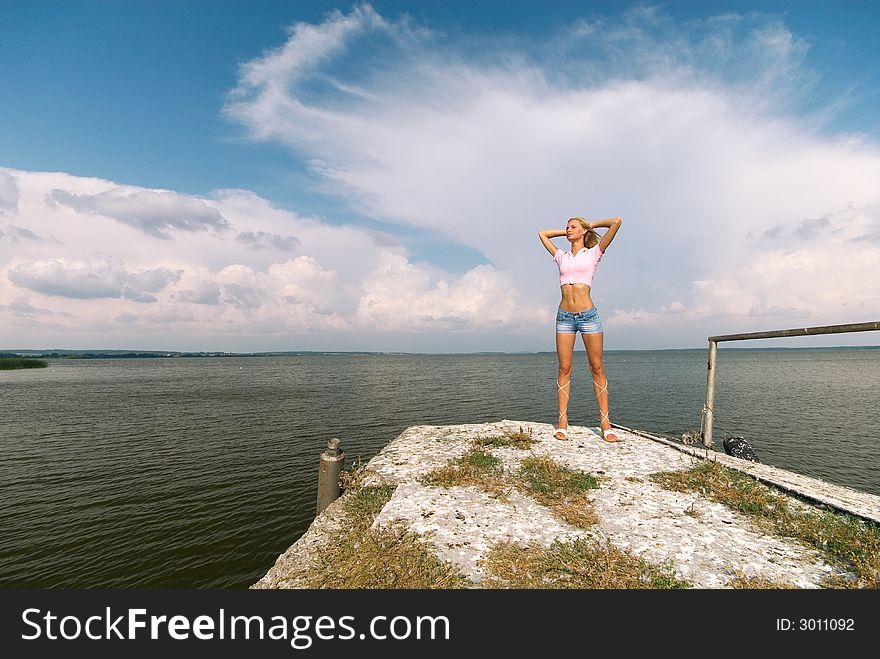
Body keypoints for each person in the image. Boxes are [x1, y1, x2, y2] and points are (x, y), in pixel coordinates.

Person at [538, 216, 623, 442]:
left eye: (572, 227)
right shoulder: (561, 256)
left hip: (588, 316)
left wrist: (589, 226)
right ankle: (562, 422)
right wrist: (568, 232)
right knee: (564, 368)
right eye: (566, 227)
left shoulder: (594, 253)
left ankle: (605, 423)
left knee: (597, 367)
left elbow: (616, 222)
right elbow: (542, 234)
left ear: (583, 230)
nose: (568, 230)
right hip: (564, 317)